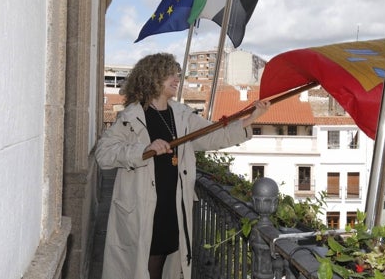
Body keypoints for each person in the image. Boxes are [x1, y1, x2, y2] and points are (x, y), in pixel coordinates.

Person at [95, 53, 270, 279]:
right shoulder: (131, 117)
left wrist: (251, 119)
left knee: (167, 260)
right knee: (147, 264)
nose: (177, 79)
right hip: (143, 208)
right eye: (170, 74)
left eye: (177, 74)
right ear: (153, 77)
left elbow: (213, 136)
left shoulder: (182, 115)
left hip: (172, 205)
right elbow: (104, 154)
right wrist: (143, 150)